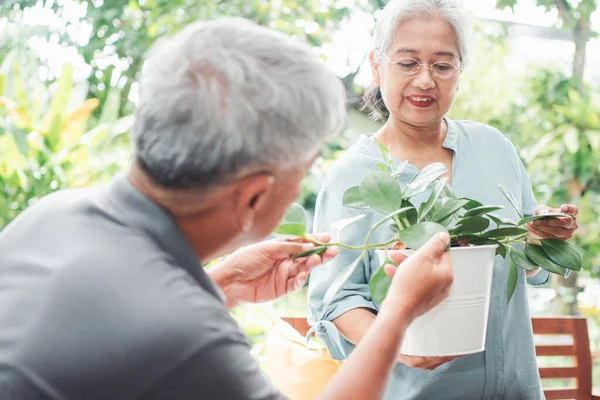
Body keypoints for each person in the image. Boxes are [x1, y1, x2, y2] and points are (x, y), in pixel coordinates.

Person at [0, 17, 455, 400]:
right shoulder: (184, 334)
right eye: (301, 173)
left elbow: (102, 341)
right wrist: (398, 314)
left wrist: (218, 287)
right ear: (254, 195)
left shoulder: (49, 216)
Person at [307, 1, 580, 399]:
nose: (424, 80)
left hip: (517, 389)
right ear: (376, 65)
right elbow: (335, 301)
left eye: (442, 65)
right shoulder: (353, 176)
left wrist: (544, 238)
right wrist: (398, 343)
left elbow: (529, 264)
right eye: (407, 63)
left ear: (459, 72)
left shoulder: (494, 147)